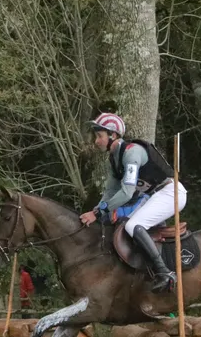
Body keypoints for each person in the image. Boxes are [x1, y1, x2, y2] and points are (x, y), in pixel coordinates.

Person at [78, 112, 185, 293]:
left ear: (113, 135)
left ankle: (165, 273)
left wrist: (97, 213)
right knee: (124, 224)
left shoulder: (132, 152)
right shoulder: (114, 159)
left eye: (99, 136)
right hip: (155, 196)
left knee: (133, 225)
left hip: (170, 193)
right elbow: (110, 192)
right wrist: (97, 211)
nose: (96, 141)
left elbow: (126, 193)